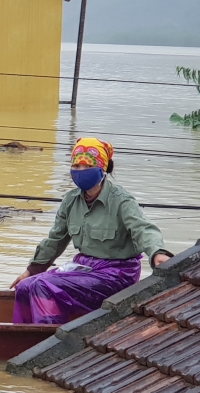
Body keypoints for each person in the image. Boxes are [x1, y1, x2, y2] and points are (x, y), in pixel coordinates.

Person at [11, 137, 173, 324]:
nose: (80, 172)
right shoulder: (71, 201)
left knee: (42, 285)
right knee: (25, 287)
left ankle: (50, 343)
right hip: (85, 269)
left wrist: (157, 253)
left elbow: (143, 229)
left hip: (116, 275)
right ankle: (24, 337)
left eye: (87, 166)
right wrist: (31, 270)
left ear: (102, 168)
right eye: (76, 166)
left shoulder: (121, 200)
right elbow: (55, 240)